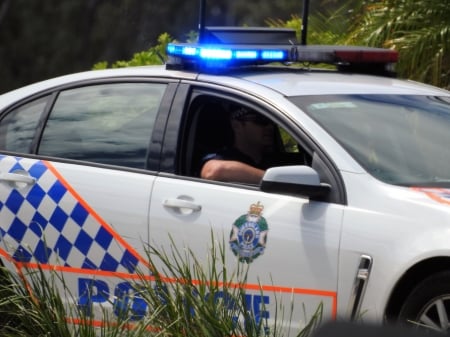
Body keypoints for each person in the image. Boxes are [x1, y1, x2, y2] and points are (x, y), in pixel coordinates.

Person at [200, 106, 278, 184]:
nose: (270, 126)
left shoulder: (276, 160)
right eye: (260, 120)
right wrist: (276, 180)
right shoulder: (223, 158)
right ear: (236, 126)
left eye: (272, 122)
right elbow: (214, 172)